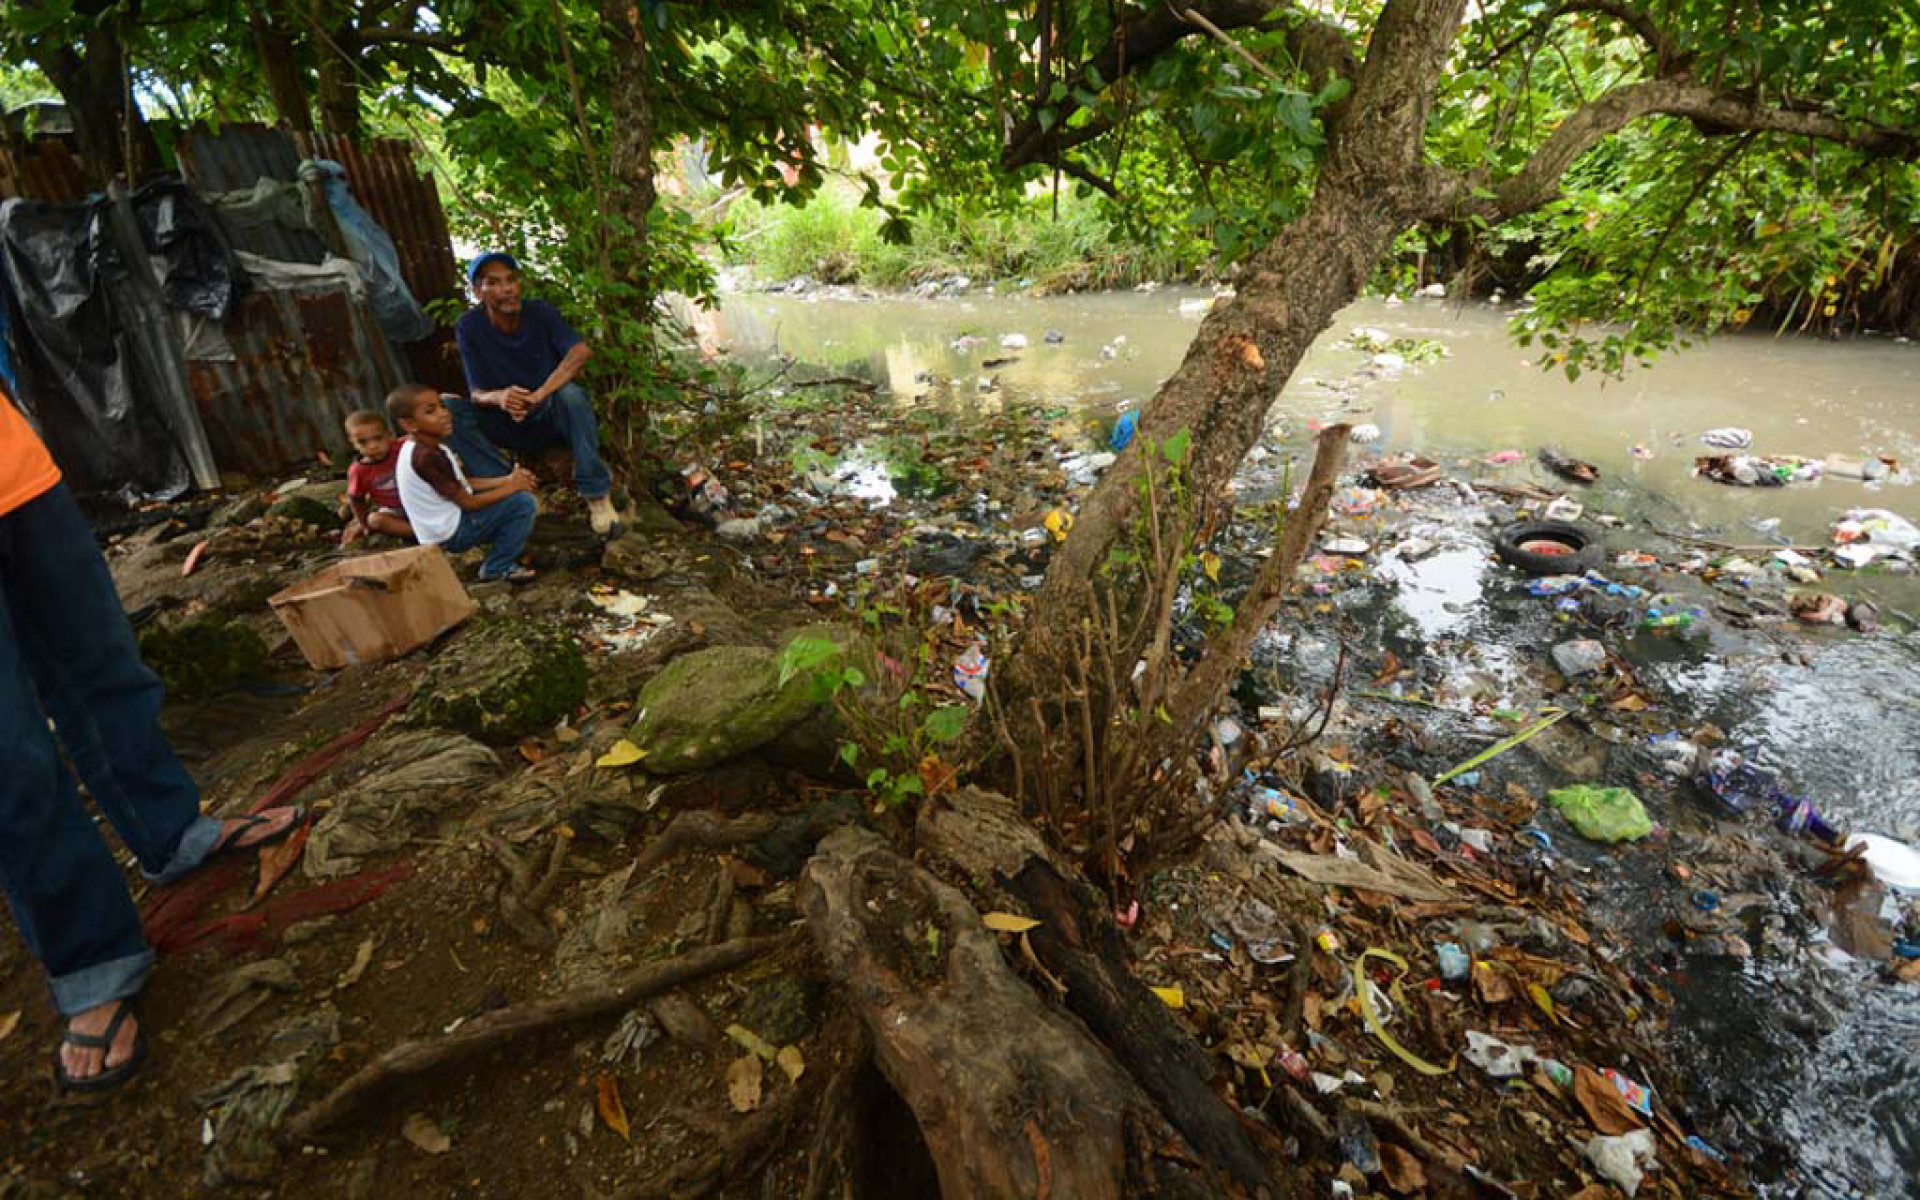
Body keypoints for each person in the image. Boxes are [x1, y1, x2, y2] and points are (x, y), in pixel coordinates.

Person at [0, 384, 301, 1093]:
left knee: (105, 671)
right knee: (11, 760)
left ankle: (171, 832)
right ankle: (93, 961)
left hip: (20, 478)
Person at [451, 252, 623, 535]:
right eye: (494, 283)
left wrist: (540, 394)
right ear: (478, 292)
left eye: (511, 280)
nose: (507, 289)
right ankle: (510, 488)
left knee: (571, 395)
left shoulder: (540, 312)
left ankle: (596, 495)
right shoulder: (469, 326)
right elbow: (477, 393)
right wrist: (502, 397)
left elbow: (580, 351)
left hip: (547, 413)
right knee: (449, 409)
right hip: (504, 419)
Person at [387, 383, 541, 583]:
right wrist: (513, 487)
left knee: (512, 498)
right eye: (430, 411)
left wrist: (508, 480)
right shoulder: (427, 456)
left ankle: (507, 546)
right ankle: (497, 566)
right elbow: (468, 502)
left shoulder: (424, 446)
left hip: (444, 526)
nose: (443, 414)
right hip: (452, 533)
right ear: (409, 425)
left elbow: (462, 483)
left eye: (442, 406)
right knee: (523, 503)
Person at [340, 409, 413, 546]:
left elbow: (423, 435)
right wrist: (363, 523)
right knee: (374, 520)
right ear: (353, 443)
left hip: (418, 501)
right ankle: (419, 533)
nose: (373, 446)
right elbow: (356, 499)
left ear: (389, 435)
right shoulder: (358, 471)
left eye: (378, 438)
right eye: (363, 442)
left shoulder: (402, 447)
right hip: (394, 509)